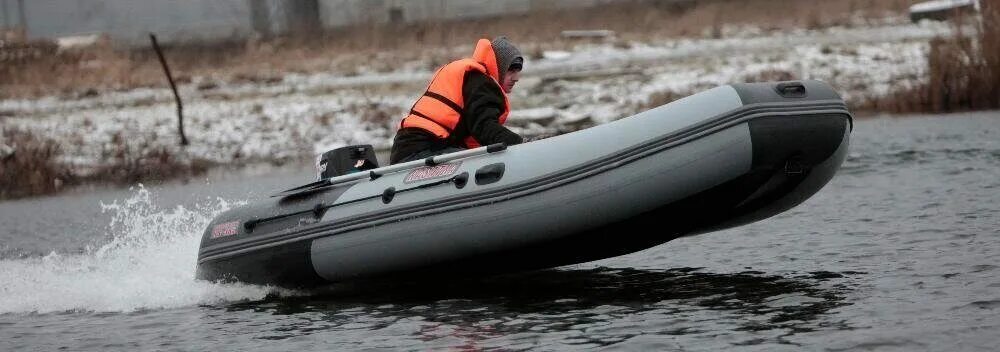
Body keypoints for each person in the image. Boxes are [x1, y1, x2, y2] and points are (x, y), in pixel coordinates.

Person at [389, 36, 525, 164]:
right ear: (498, 67)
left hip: (406, 149)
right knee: (479, 163)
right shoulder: (481, 82)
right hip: (423, 150)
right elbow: (485, 128)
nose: (516, 77)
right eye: (511, 70)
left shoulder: (471, 76)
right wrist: (522, 145)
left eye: (518, 71)